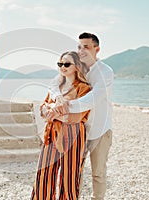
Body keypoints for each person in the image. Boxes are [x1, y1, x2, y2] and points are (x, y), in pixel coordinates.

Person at [47, 32, 114, 200]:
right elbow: (54, 85)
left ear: (96, 49)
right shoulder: (76, 65)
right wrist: (58, 99)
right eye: (79, 46)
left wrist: (65, 106)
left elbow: (92, 99)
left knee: (98, 173)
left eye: (86, 47)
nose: (81, 50)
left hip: (100, 129)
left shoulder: (105, 72)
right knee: (75, 170)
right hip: (78, 130)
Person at [31, 51, 91, 200]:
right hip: (51, 133)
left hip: (74, 133)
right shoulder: (56, 87)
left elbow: (78, 116)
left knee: (69, 176)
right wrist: (49, 110)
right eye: (60, 64)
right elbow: (42, 107)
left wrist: (54, 113)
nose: (62, 67)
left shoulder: (84, 88)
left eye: (66, 64)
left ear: (76, 66)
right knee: (44, 172)